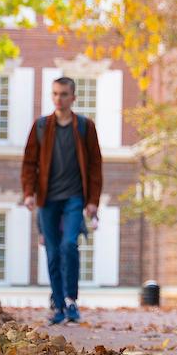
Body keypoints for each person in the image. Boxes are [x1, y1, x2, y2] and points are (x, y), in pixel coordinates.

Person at [21, 76, 103, 325]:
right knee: (53, 252)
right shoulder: (41, 126)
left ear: (73, 97)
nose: (59, 98)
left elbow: (95, 165)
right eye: (55, 94)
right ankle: (58, 305)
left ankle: (70, 300)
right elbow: (29, 162)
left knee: (69, 245)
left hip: (74, 198)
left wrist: (93, 201)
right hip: (48, 199)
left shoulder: (85, 127)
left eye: (64, 94)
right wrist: (28, 193)